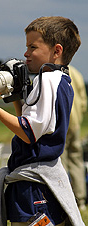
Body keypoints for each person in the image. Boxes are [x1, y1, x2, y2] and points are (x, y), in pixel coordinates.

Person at [0, 16, 85, 226]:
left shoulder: (47, 79)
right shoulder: (62, 80)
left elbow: (28, 132)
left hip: (33, 186)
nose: (26, 53)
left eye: (33, 47)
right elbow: (33, 124)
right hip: (42, 182)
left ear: (57, 51)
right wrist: (16, 96)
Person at [61, 65, 87, 210]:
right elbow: (83, 102)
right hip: (76, 124)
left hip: (63, 124)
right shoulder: (77, 72)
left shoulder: (55, 72)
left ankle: (65, 198)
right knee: (77, 161)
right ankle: (81, 200)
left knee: (61, 162)